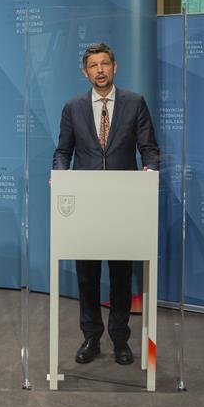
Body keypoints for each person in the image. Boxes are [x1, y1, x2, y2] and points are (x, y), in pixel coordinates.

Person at [52, 42, 159, 366]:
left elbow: (149, 148)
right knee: (87, 274)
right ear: (85, 72)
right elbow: (62, 152)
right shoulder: (73, 107)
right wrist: (59, 177)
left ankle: (120, 338)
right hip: (85, 205)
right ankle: (91, 336)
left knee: (121, 274)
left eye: (105, 64)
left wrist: (150, 172)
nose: (99, 70)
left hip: (123, 204)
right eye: (93, 66)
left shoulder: (134, 103)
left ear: (115, 67)